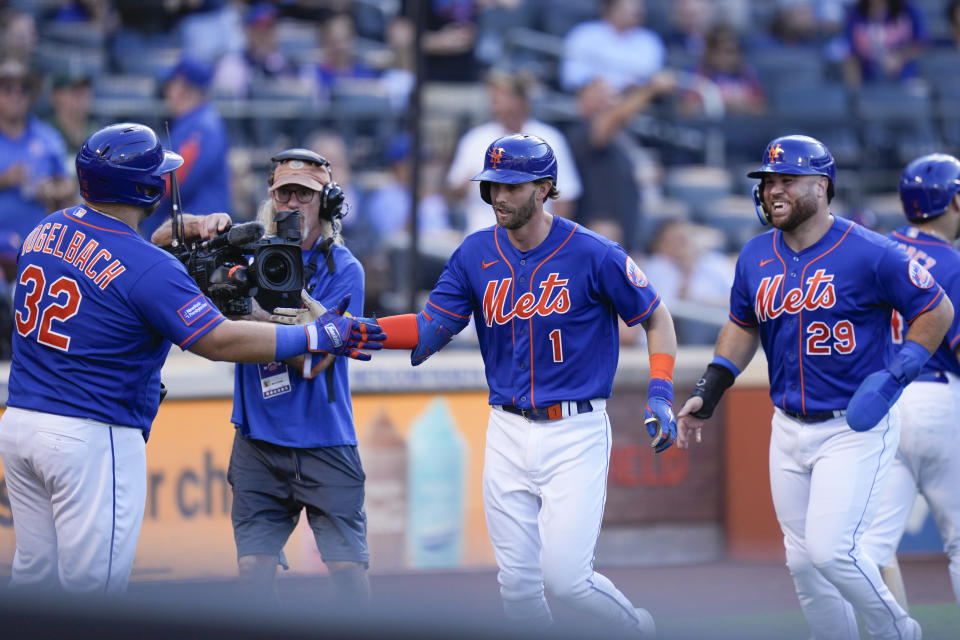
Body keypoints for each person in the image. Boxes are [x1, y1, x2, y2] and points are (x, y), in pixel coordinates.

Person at [0, 123, 384, 594]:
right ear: (143, 187)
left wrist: (194, 231)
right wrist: (313, 334)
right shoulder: (147, 265)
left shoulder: (44, 230)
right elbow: (216, 339)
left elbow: (139, 255)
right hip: (91, 431)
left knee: (32, 580)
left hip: (20, 423)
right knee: (92, 593)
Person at [373, 133, 677, 635]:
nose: (499, 196)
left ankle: (638, 629)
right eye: (492, 185)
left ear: (545, 188)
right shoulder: (474, 253)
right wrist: (354, 332)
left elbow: (656, 317)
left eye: (512, 186)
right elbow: (429, 329)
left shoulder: (593, 252)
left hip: (574, 429)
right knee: (516, 585)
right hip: (507, 428)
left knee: (568, 579)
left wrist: (661, 390)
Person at [675, 134, 953, 640]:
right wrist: (710, 389)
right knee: (804, 566)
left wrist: (898, 373)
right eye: (767, 182)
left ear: (821, 186)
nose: (773, 191)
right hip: (787, 426)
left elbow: (935, 309)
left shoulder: (871, 250)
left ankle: (899, 631)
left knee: (831, 551)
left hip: (853, 424)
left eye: (787, 180)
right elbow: (742, 324)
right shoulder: (756, 254)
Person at [152, 146, 372, 609]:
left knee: (349, 576)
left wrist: (243, 316)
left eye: (304, 195)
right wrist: (199, 224)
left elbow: (319, 359)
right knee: (252, 573)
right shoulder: (248, 249)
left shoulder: (344, 267)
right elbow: (158, 241)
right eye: (283, 194)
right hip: (258, 439)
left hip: (324, 441)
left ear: (327, 203)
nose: (292, 205)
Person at [857, 153, 960, 609]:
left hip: (882, 400)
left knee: (871, 547)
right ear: (954, 201)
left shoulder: (874, 250)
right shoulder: (952, 263)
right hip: (939, 399)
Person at [445, 69, 582, 234]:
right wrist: (463, 187)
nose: (494, 104)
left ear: (520, 100)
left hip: (536, 242)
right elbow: (451, 194)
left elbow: (565, 196)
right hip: (485, 241)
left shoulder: (550, 139)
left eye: (500, 98)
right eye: (493, 99)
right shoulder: (475, 139)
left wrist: (552, 241)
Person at [139, 56, 230, 240]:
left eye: (171, 85)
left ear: (184, 89)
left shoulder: (202, 127)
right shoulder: (190, 123)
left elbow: (173, 180)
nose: (167, 92)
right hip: (188, 231)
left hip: (198, 236)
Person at [0, 59, 75, 240]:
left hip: (36, 245)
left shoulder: (48, 137)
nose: (16, 95)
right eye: (7, 88)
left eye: (23, 89)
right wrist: (5, 180)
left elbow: (67, 185)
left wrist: (50, 190)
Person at [560, 0, 667, 93]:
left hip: (630, 103)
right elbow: (573, 77)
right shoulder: (585, 33)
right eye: (627, 6)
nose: (634, 11)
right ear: (609, 9)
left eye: (636, 6)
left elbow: (649, 81)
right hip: (588, 99)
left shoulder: (650, 41)